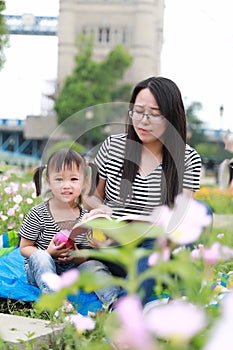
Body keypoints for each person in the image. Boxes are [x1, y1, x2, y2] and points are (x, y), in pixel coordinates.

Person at [83, 76, 210, 306]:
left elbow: (183, 216)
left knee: (200, 212)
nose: (144, 120)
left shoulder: (187, 158)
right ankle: (132, 307)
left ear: (171, 117)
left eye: (154, 113)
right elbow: (90, 196)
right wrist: (100, 211)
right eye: (138, 111)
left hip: (159, 249)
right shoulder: (113, 146)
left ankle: (130, 308)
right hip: (114, 246)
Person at [19, 148, 122, 310]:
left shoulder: (86, 218)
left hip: (71, 271)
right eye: (59, 179)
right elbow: (24, 247)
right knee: (39, 256)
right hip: (41, 270)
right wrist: (48, 253)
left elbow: (87, 254)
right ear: (48, 181)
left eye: (74, 179)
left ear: (83, 183)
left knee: (94, 265)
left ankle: (115, 302)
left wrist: (77, 256)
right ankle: (57, 302)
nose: (66, 186)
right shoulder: (38, 213)